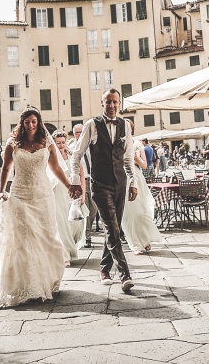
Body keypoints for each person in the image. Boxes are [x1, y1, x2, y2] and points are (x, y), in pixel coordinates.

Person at [0, 107, 75, 308]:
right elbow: (6, 168)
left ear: (38, 122)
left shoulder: (47, 142)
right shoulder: (12, 143)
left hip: (43, 194)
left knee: (46, 237)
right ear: (22, 124)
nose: (31, 125)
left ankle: (47, 280)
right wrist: (1, 192)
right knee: (23, 240)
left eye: (34, 121)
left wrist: (69, 186)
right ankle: (26, 284)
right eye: (27, 122)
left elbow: (56, 168)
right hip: (20, 194)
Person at [68, 89, 138, 292]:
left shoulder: (125, 125)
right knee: (113, 227)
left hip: (120, 183)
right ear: (102, 103)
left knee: (112, 227)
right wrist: (74, 180)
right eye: (108, 101)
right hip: (99, 184)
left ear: (119, 104)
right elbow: (76, 155)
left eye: (115, 102)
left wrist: (132, 182)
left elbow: (128, 158)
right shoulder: (92, 125)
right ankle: (125, 274)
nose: (112, 105)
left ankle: (104, 269)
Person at [49, 131, 85, 265]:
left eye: (63, 142)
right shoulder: (51, 157)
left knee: (74, 225)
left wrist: (82, 195)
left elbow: (81, 175)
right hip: (56, 193)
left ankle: (70, 249)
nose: (61, 145)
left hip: (71, 194)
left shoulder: (72, 156)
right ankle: (65, 256)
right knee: (61, 224)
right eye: (58, 143)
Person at [121, 137, 162, 255]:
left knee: (141, 212)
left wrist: (135, 157)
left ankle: (145, 240)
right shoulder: (116, 143)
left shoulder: (138, 145)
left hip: (137, 177)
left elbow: (144, 165)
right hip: (123, 177)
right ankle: (134, 245)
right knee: (129, 214)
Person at [72, 123, 98, 248]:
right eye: (78, 132)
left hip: (93, 180)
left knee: (94, 209)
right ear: (74, 134)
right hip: (81, 181)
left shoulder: (90, 146)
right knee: (84, 208)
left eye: (83, 131)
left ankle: (87, 232)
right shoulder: (72, 148)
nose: (82, 134)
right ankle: (87, 236)